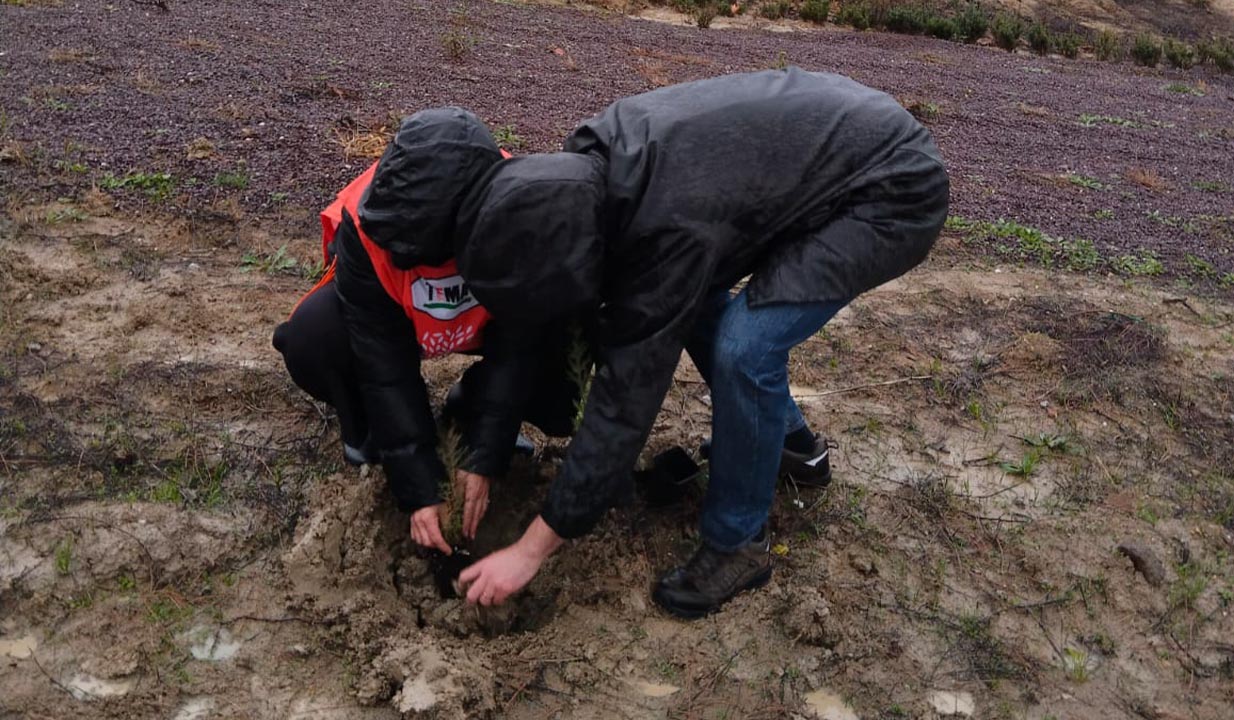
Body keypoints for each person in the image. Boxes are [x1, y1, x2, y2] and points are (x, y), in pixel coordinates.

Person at [451, 68, 950, 618]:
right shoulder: (578, 175)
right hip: (829, 150)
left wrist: (531, 548)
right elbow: (542, 325)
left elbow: (626, 400)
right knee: (691, 299)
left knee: (746, 347)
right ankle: (791, 447)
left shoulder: (668, 227)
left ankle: (739, 543)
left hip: (891, 188)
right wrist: (487, 450)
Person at [272, 108, 578, 553]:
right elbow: (383, 365)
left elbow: (518, 348)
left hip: (487, 324)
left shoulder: (516, 215)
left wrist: (482, 452)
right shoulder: (368, 223)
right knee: (312, 339)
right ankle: (371, 431)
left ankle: (465, 409)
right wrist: (417, 488)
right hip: (397, 321)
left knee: (567, 373)